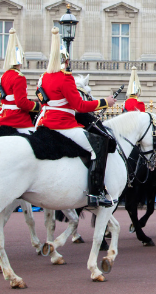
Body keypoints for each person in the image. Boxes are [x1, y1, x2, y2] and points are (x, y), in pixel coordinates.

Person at [34, 28, 117, 207]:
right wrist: (105, 102)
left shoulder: (42, 78)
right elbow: (79, 106)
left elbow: (42, 102)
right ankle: (96, 193)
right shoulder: (65, 79)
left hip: (43, 124)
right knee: (99, 146)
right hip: (63, 126)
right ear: (66, 61)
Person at [0, 29, 39, 133]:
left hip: (3, 115)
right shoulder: (19, 77)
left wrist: (31, 100)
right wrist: (37, 106)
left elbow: (7, 97)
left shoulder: (3, 76)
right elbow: (21, 103)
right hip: (16, 118)